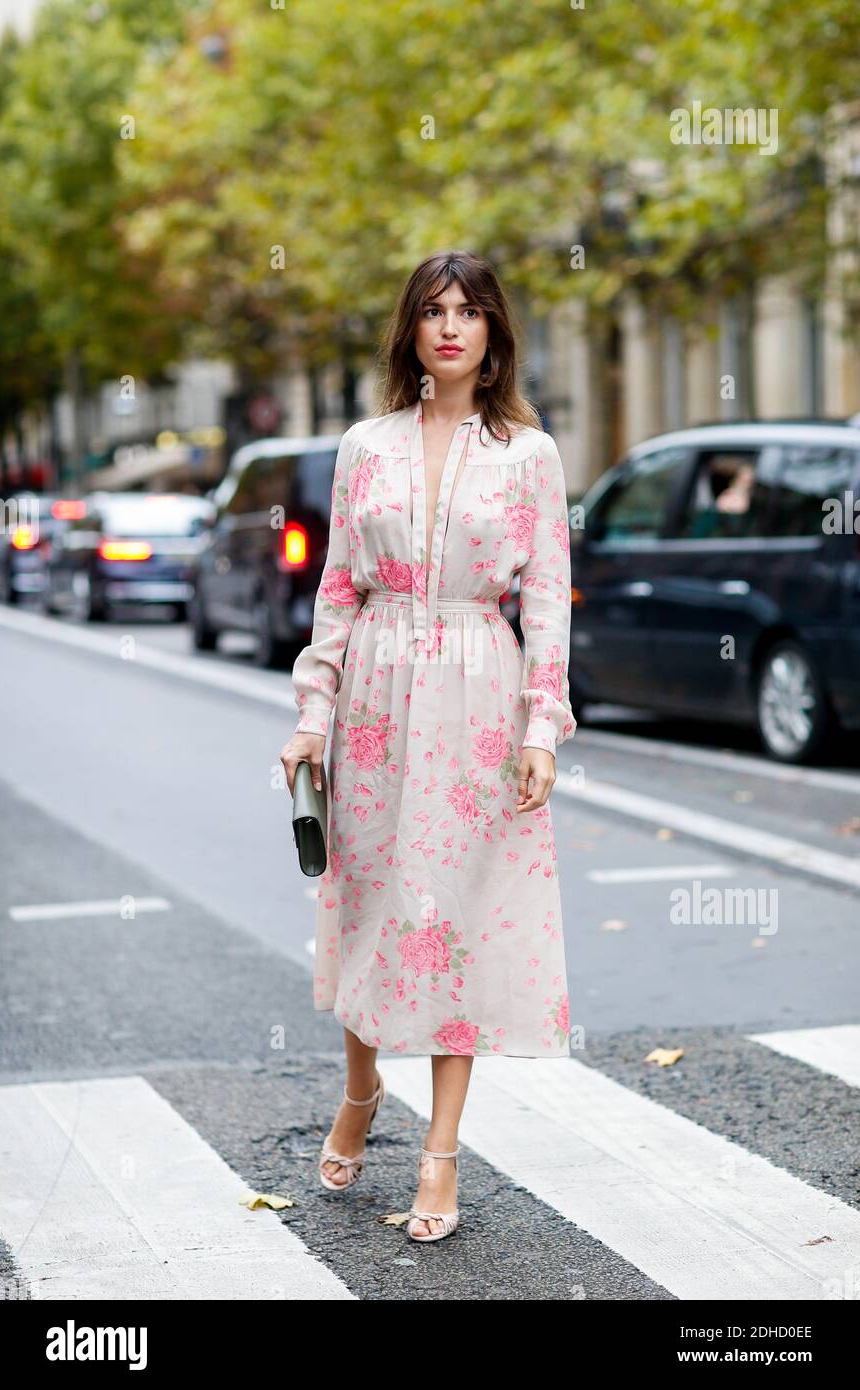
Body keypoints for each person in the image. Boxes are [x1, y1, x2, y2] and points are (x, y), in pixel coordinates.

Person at [279, 249, 577, 1243]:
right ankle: (361, 1090)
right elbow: (336, 590)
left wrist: (541, 728)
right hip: (373, 693)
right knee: (367, 906)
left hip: (479, 701)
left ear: (494, 334)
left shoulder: (529, 456)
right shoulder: (364, 445)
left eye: (469, 312)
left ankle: (439, 1149)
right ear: (409, 329)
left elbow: (544, 605)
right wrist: (311, 714)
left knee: (453, 920)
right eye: (432, 311)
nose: (450, 327)